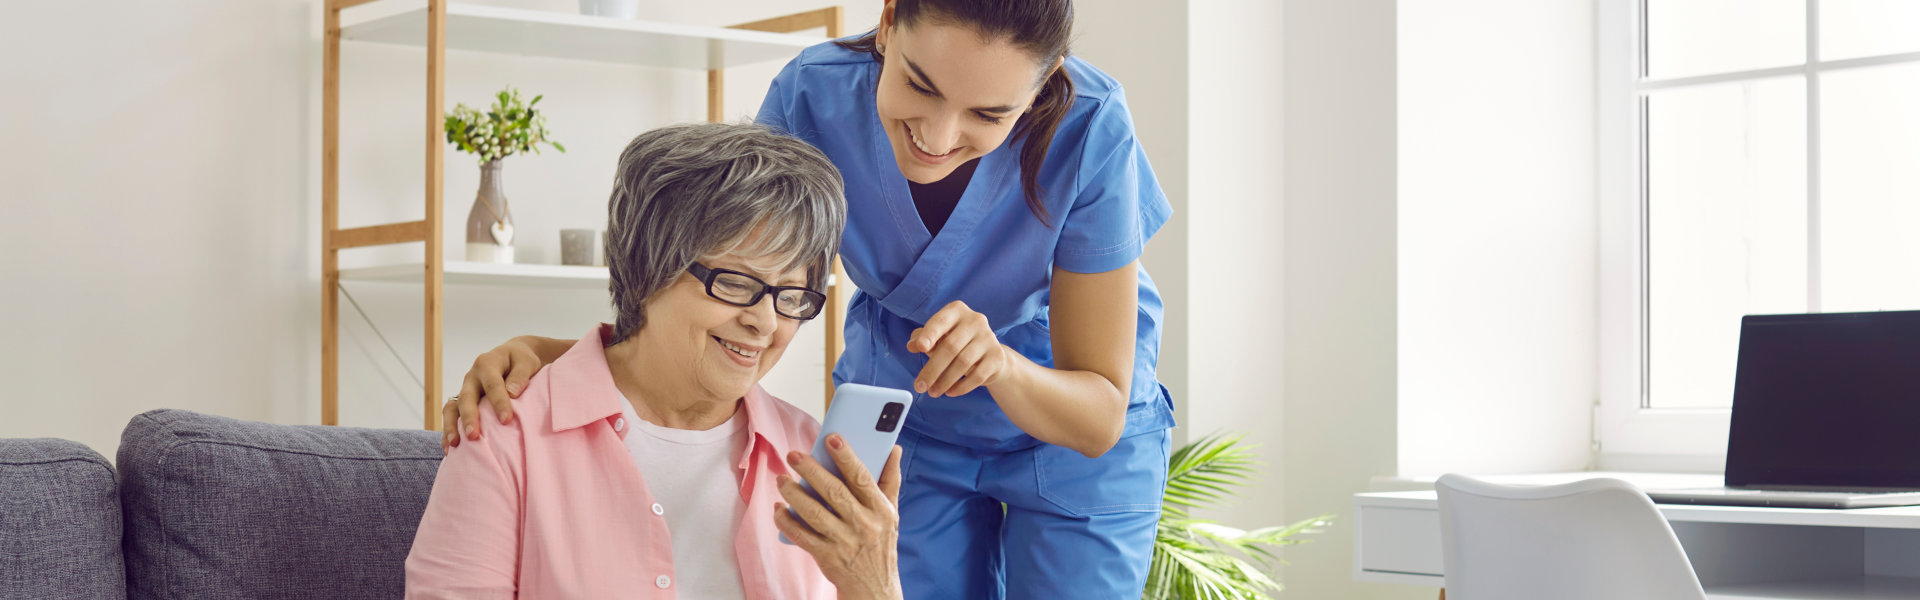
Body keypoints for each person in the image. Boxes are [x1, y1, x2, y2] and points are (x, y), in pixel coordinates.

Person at [443, 1, 1174, 597]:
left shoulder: (1091, 128)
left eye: (988, 114)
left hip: (1065, 417)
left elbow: (1100, 413)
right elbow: (713, 271)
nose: (938, 136)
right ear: (887, 23)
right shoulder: (813, 94)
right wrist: (574, 360)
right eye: (918, 85)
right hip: (908, 406)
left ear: (1040, 92)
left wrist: (1002, 367)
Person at [405, 122, 905, 600]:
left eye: (792, 295)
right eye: (735, 283)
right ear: (649, 267)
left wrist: (875, 583)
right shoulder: (509, 436)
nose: (767, 323)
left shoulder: (811, 458)